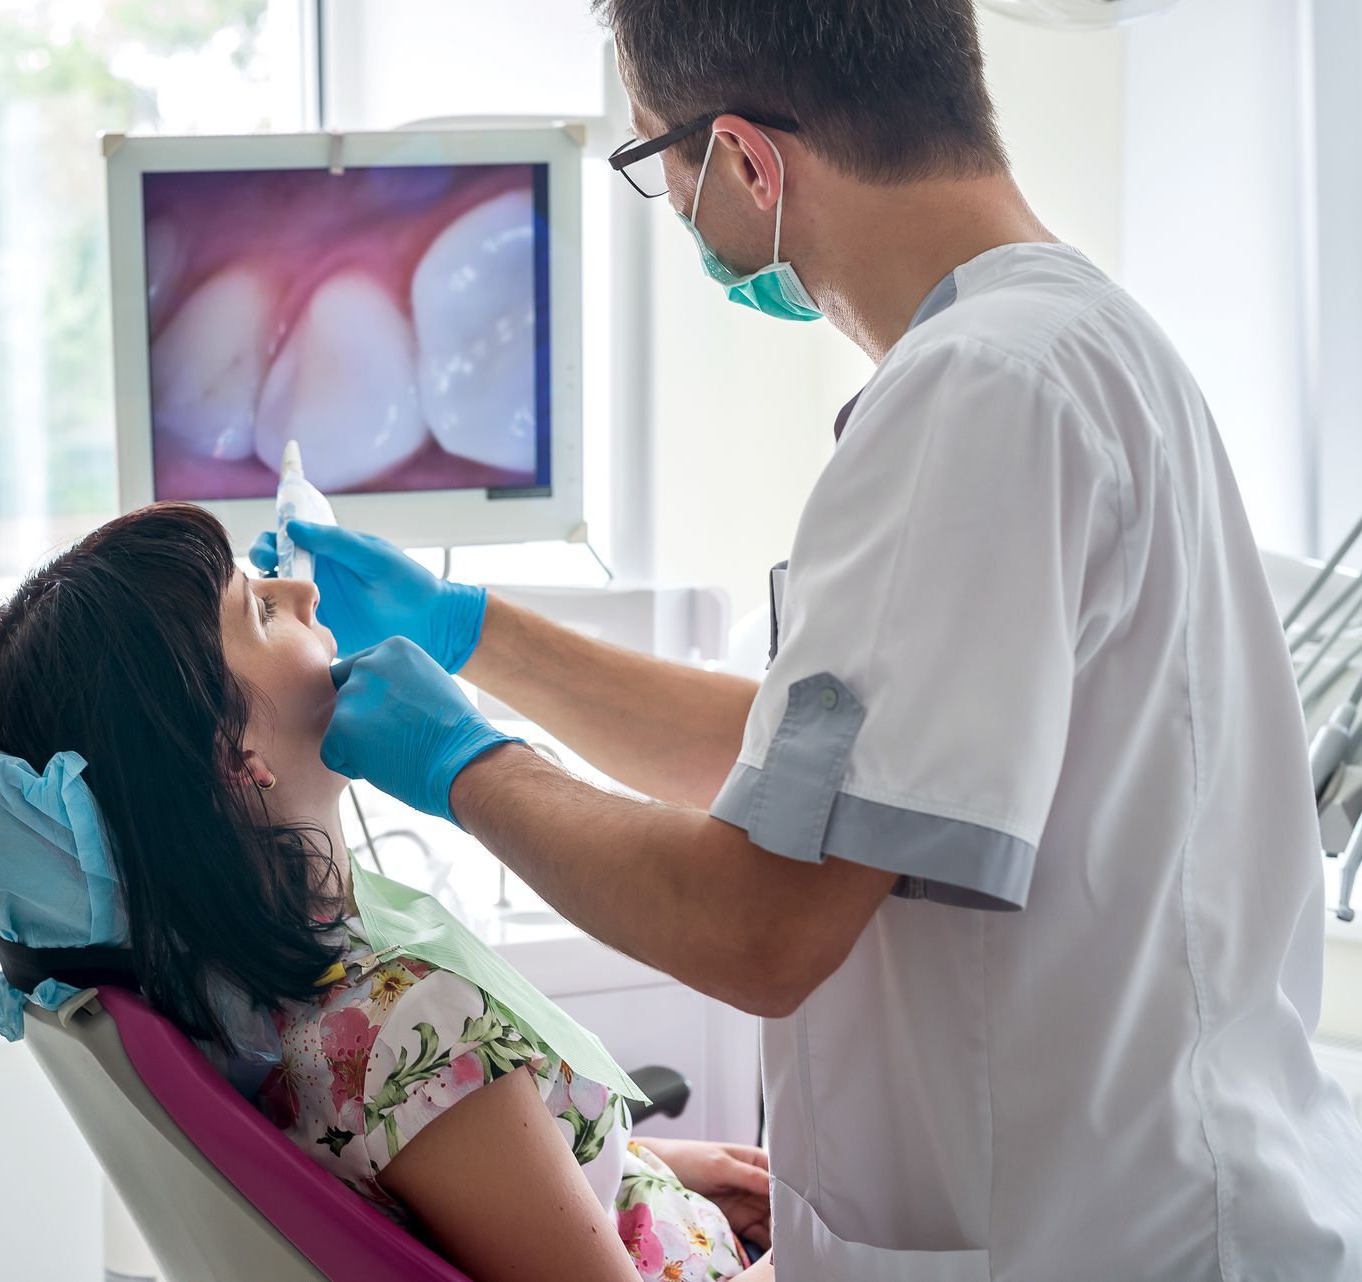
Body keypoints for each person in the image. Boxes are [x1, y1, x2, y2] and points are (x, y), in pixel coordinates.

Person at [261, 1, 1362, 1277]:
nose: (680, 217)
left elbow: (762, 927)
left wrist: (465, 766)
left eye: (653, 168)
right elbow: (833, 775)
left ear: (744, 159)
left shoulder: (979, 395)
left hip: (1093, 1231)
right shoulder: (1076, 345)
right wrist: (473, 630)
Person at [0, 502, 775, 1282]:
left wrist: (637, 1167)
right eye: (258, 607)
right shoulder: (407, 1023)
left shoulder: (257, 1001)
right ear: (233, 754)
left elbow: (453, 1183)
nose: (300, 588)